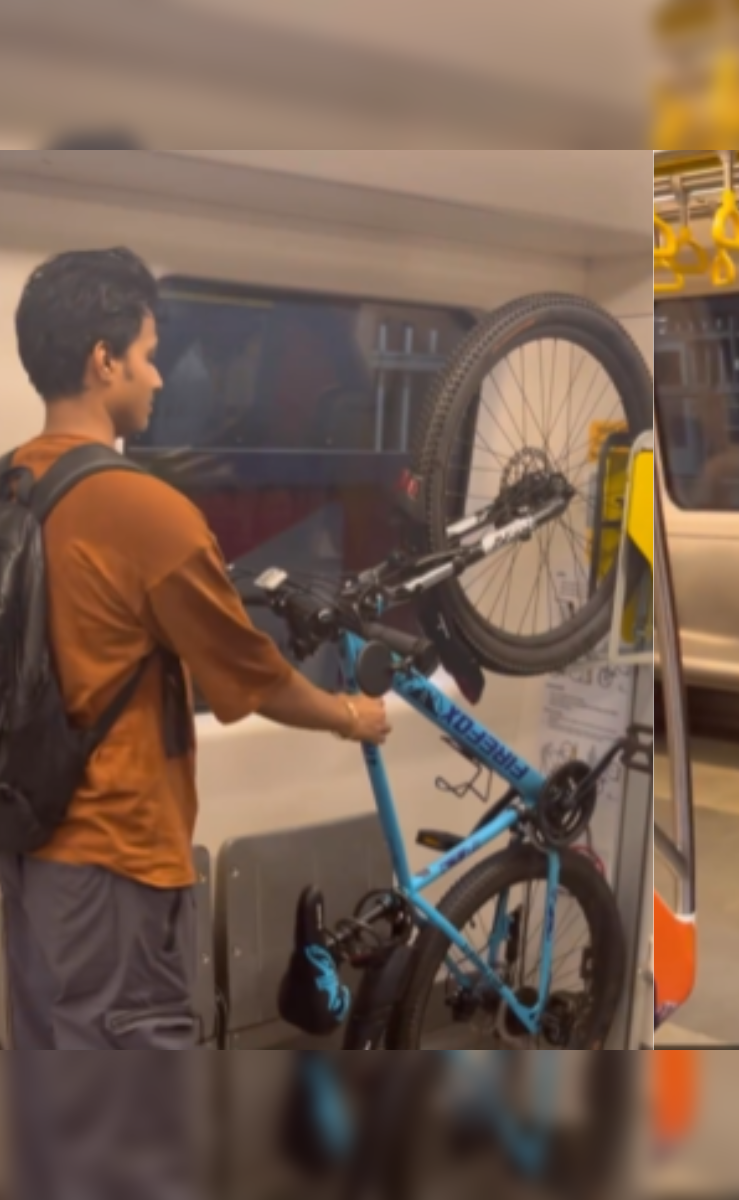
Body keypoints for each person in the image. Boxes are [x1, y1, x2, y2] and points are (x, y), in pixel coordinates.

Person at [0, 248, 393, 1053]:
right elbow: (253, 676)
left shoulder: (13, 482)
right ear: (102, 360)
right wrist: (349, 714)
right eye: (147, 356)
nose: (161, 379)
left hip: (28, 850)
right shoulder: (148, 511)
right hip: (118, 860)